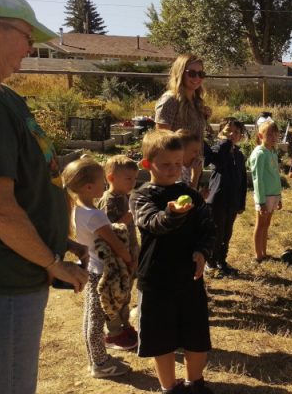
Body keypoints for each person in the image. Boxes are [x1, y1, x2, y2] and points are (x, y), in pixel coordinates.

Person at [0, 0, 89, 392]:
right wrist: (54, 262)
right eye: (25, 35)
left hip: (23, 272)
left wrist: (60, 240)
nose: (30, 47)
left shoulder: (8, 99)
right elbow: (1, 210)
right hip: (8, 284)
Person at [130, 130, 216, 394]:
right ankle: (170, 387)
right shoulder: (141, 197)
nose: (173, 169)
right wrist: (172, 213)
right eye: (165, 164)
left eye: (178, 164)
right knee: (161, 338)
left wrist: (202, 252)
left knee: (196, 333)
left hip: (189, 278)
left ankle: (195, 381)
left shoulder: (191, 195)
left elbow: (208, 229)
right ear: (147, 164)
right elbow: (154, 224)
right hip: (156, 279)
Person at [62, 157, 135, 377]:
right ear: (88, 187)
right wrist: (129, 259)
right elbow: (115, 244)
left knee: (90, 317)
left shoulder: (77, 209)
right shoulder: (95, 216)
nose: (105, 184)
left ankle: (96, 358)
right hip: (101, 272)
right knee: (96, 320)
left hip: (91, 269)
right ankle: (100, 364)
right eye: (102, 181)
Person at [96, 155, 140, 350]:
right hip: (116, 257)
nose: (133, 183)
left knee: (125, 292)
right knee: (114, 294)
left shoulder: (125, 197)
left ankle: (125, 325)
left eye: (134, 178)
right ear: (111, 178)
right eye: (128, 178)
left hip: (129, 253)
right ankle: (113, 332)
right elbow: (109, 231)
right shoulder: (109, 201)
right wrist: (129, 216)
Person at [155, 54, 212, 190]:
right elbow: (161, 140)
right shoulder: (170, 100)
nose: (197, 78)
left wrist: (203, 117)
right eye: (191, 73)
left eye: (201, 74)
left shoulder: (196, 101)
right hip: (176, 170)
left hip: (193, 168)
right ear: (180, 73)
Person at [204, 119, 247, 278]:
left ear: (240, 136)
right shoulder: (218, 149)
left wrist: (241, 202)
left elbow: (242, 181)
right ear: (220, 133)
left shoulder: (240, 155)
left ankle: (222, 261)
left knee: (227, 233)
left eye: (236, 132)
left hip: (232, 201)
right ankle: (210, 263)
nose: (232, 135)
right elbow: (217, 162)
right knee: (216, 232)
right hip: (217, 200)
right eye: (228, 131)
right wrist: (225, 143)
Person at [250, 120, 282, 261]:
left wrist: (279, 197)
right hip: (264, 196)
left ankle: (264, 252)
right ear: (260, 136)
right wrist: (261, 201)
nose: (273, 137)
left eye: (275, 134)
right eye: (269, 134)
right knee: (260, 224)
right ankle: (258, 255)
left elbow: (275, 175)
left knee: (267, 224)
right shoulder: (259, 153)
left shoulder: (273, 152)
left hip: (273, 194)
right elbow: (257, 179)